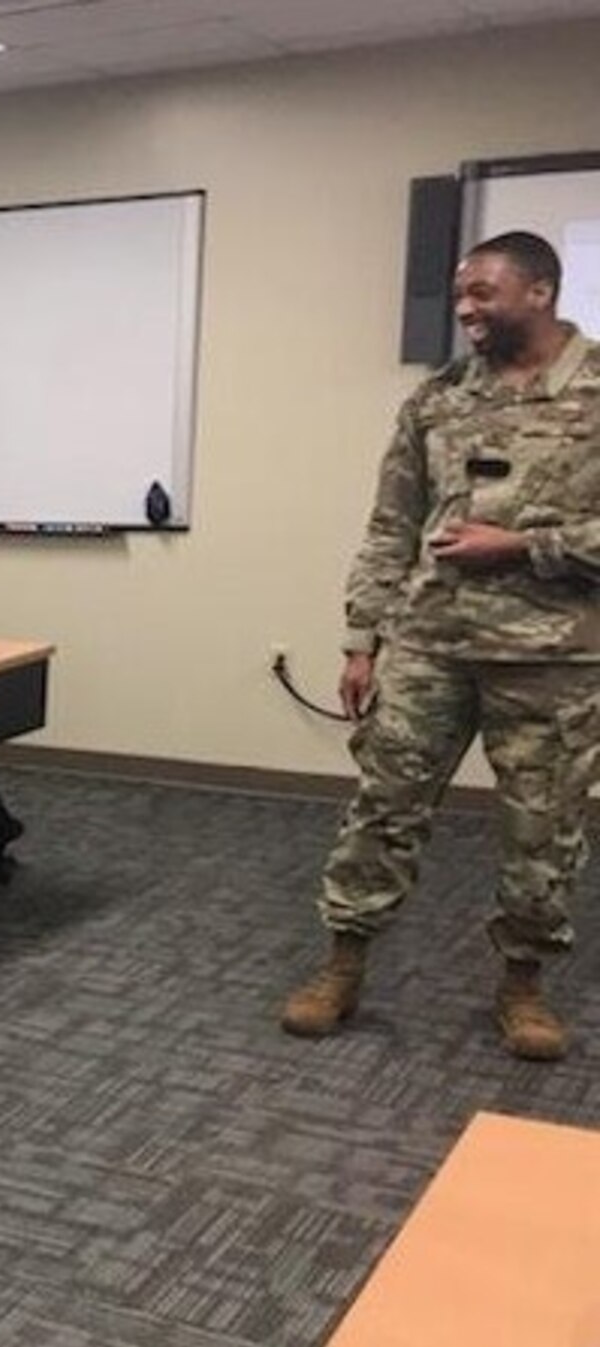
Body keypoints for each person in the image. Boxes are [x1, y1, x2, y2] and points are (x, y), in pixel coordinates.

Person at [280, 231, 600, 1062]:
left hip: (552, 656)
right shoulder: (438, 399)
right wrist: (362, 640)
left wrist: (528, 547)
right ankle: (343, 966)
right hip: (430, 643)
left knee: (543, 829)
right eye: (461, 294)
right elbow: (391, 523)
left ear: (540, 291)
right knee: (383, 806)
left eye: (483, 293)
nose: (465, 309)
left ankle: (522, 987)